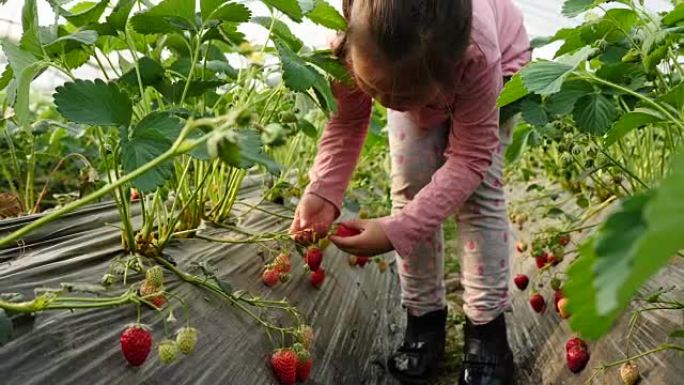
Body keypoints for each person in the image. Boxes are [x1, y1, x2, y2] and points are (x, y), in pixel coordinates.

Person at [289, 0, 531, 383]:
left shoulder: (478, 54)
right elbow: (348, 120)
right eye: (375, 89)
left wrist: (395, 231)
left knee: (479, 196)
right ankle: (424, 321)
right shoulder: (350, 40)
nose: (386, 104)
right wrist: (324, 190)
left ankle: (487, 330)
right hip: (413, 69)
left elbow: (470, 159)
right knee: (409, 185)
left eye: (402, 99)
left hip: (500, 68)